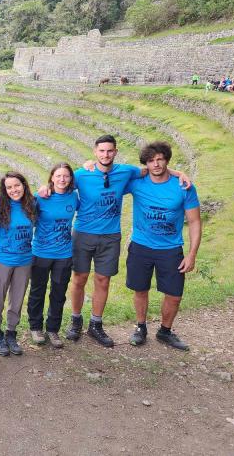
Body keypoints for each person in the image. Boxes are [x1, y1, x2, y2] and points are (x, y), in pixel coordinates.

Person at [61, 135, 189, 347]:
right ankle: (75, 320)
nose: (105, 155)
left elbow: (153, 169)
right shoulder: (82, 174)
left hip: (110, 235)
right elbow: (60, 182)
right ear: (95, 151)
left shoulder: (126, 171)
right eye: (101, 151)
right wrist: (45, 189)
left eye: (109, 151)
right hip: (83, 233)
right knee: (79, 278)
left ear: (116, 152)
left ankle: (96, 324)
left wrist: (179, 173)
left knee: (103, 280)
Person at [126, 142, 201, 350]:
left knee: (174, 294)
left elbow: (194, 221)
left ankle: (165, 331)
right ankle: (140, 327)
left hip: (170, 248)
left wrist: (192, 254)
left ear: (167, 160)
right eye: (151, 161)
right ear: (146, 164)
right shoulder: (137, 183)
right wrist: (89, 164)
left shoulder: (184, 186)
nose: (156, 164)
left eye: (160, 159)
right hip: (141, 246)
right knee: (140, 289)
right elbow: (111, 176)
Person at [27, 164, 79, 349]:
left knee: (58, 293)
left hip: (64, 254)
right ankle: (35, 327)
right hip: (41, 252)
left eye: (66, 176)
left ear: (71, 179)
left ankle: (53, 329)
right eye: (58, 176)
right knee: (37, 291)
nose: (62, 179)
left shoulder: (74, 197)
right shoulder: (41, 197)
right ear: (52, 178)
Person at [0, 172, 37, 357]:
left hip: (24, 260)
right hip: (2, 260)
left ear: (24, 185)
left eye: (17, 185)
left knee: (17, 299)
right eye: (9, 187)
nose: (14, 190)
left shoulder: (32, 204)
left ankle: (11, 333)